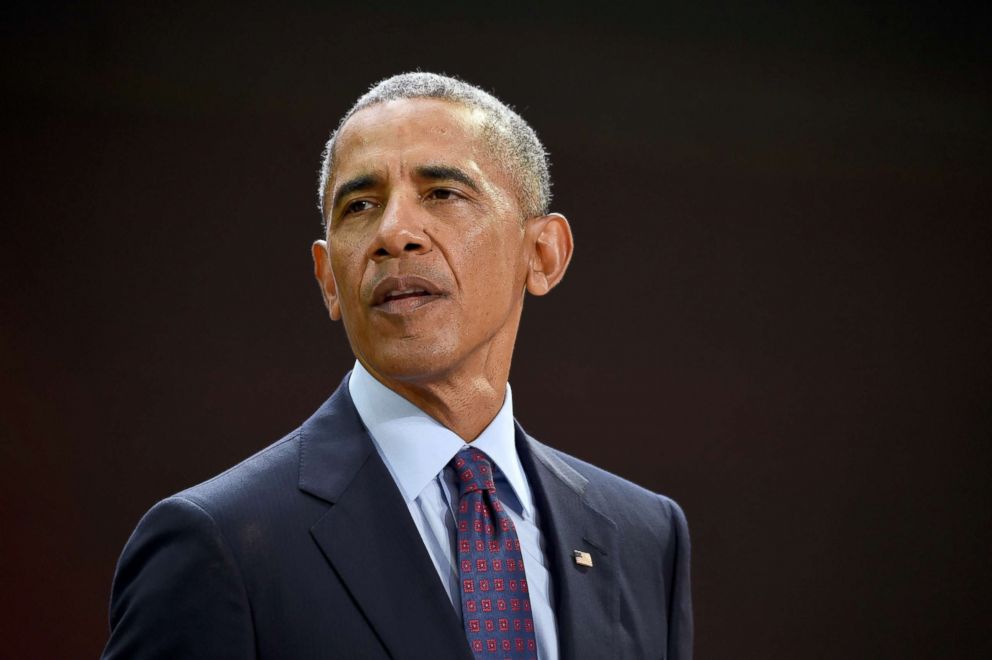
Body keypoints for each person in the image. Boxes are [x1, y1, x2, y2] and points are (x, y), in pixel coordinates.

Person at [102, 72, 692, 660]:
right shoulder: (217, 542)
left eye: (443, 193)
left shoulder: (644, 537)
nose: (393, 234)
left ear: (542, 254)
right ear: (329, 279)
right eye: (360, 205)